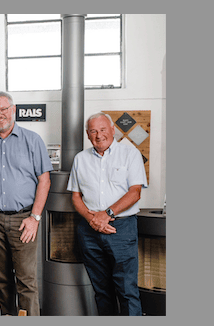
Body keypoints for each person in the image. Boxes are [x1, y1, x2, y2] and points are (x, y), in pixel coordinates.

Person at [0, 91, 52, 316]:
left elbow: (45, 180)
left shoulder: (32, 140)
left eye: (3, 109)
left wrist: (35, 218)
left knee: (26, 280)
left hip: (24, 220)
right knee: (2, 280)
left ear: (13, 110)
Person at [67, 112, 148, 316]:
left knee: (127, 290)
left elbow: (135, 192)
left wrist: (107, 214)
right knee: (102, 291)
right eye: (93, 131)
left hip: (121, 229)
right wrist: (92, 219)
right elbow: (76, 197)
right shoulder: (80, 159)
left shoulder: (130, 154)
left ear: (113, 130)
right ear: (87, 134)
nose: (99, 135)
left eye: (103, 129)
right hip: (89, 230)